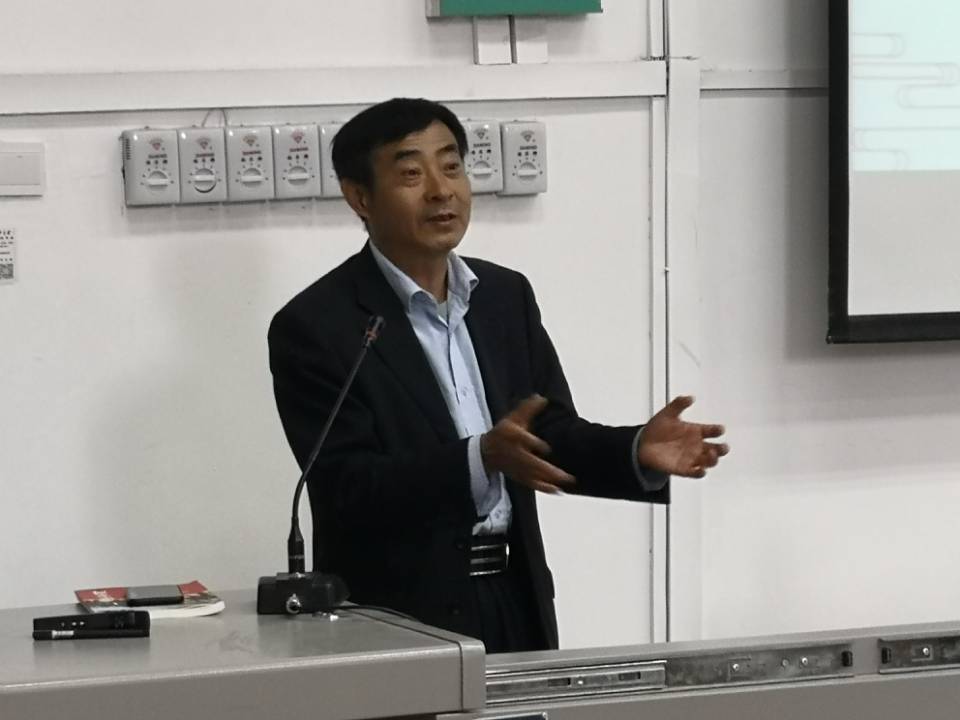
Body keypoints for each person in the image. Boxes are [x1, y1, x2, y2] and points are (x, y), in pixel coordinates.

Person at [268, 98, 728, 653]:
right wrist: (479, 457)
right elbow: (348, 487)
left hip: (516, 596)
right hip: (397, 616)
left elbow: (545, 435)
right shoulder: (317, 325)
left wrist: (634, 450)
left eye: (452, 166)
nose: (441, 190)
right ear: (360, 197)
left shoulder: (504, 297)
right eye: (412, 174)